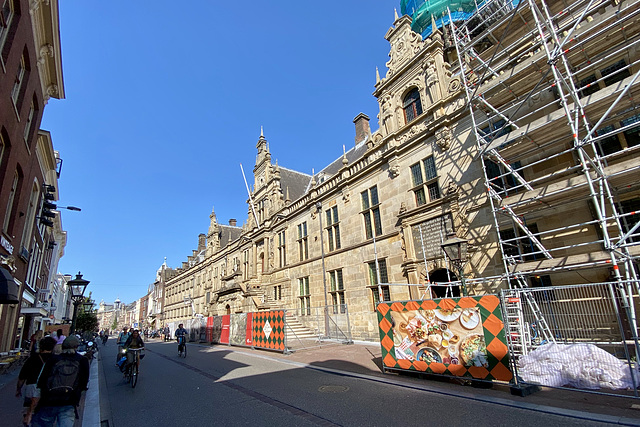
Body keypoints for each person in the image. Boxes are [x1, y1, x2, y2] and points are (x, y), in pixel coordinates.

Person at [30, 336, 90, 427]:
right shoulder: (82, 360)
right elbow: (84, 383)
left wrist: (34, 404)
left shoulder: (53, 359)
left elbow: (41, 381)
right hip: (69, 401)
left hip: (48, 401)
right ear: (76, 347)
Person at [16, 336, 56, 427]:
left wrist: (18, 389)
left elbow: (22, 376)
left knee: (29, 411)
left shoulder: (33, 358)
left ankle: (29, 422)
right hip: (48, 390)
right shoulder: (55, 359)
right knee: (45, 414)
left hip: (32, 387)